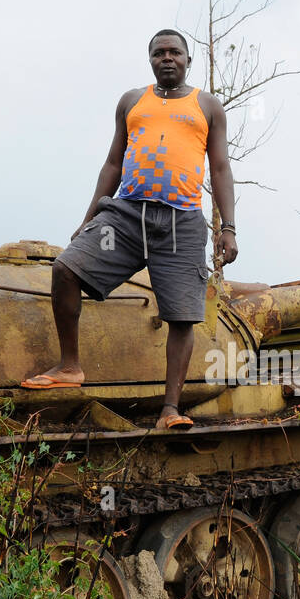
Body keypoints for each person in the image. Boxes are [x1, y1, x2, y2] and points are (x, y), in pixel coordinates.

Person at [22, 29, 238, 431]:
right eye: (159, 53)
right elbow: (112, 164)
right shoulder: (131, 101)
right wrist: (88, 219)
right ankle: (70, 366)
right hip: (125, 216)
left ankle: (170, 410)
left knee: (182, 317)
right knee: (65, 269)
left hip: (181, 222)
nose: (167, 58)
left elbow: (221, 168)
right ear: (150, 60)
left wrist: (229, 227)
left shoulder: (207, 106)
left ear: (189, 60)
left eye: (175, 52)